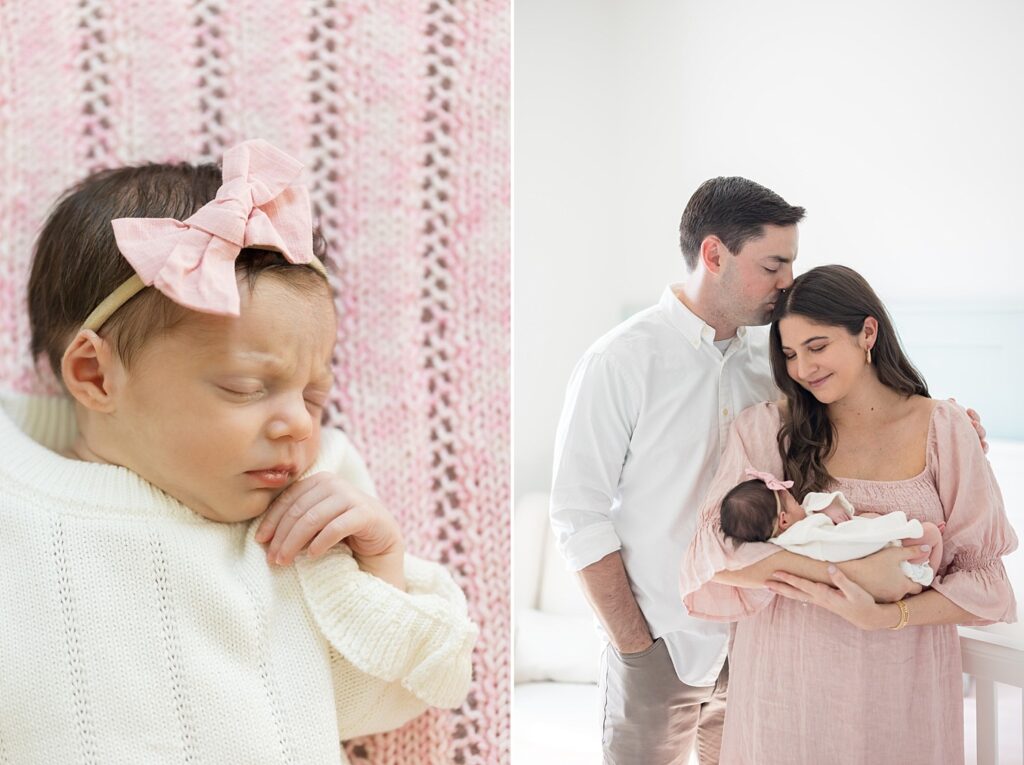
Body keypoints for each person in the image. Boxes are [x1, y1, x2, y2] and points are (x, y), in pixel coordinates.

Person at [0, 139, 477, 763]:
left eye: (314, 395)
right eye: (246, 388)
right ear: (95, 375)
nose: (296, 426)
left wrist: (380, 568)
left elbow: (378, 704)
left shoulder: (299, 520)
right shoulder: (19, 504)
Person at [550, 176, 929, 765]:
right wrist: (635, 647)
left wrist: (943, 420)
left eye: (791, 264)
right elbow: (578, 516)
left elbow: (858, 420)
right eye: (774, 264)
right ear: (714, 254)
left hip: (761, 646)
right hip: (661, 648)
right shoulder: (620, 361)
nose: (788, 283)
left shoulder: (779, 361)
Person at [679, 264, 1017, 764]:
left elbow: (987, 589)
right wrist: (849, 575)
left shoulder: (944, 429)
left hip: (901, 691)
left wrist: (886, 615)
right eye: (790, 355)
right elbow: (714, 558)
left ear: (868, 332)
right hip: (784, 689)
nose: (802, 369)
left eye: (817, 347)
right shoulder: (770, 430)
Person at [721, 468, 943, 585]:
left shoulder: (789, 534)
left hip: (873, 550)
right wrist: (896, 531)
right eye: (792, 500)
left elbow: (811, 506)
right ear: (784, 520)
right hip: (881, 553)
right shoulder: (805, 534)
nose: (799, 501)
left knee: (870, 516)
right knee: (931, 533)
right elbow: (845, 544)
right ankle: (929, 575)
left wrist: (829, 508)